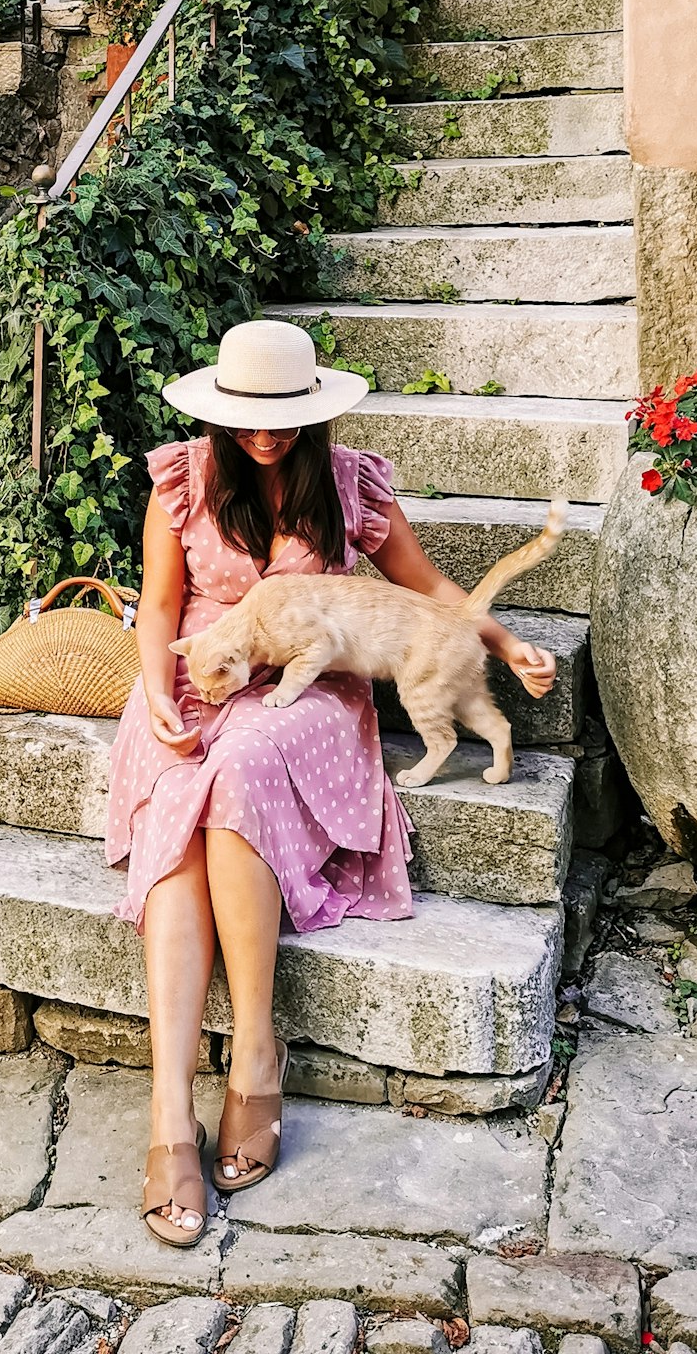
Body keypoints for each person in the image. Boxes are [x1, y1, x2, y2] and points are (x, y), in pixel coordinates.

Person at [105, 318, 557, 1247]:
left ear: (313, 417)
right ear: (221, 414)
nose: (264, 438)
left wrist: (506, 646)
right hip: (197, 670)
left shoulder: (348, 485)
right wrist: (157, 695)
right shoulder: (183, 481)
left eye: (282, 422)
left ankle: (257, 1054)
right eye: (247, 422)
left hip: (310, 696)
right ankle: (166, 1114)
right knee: (188, 822)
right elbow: (156, 608)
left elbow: (426, 583)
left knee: (238, 772)